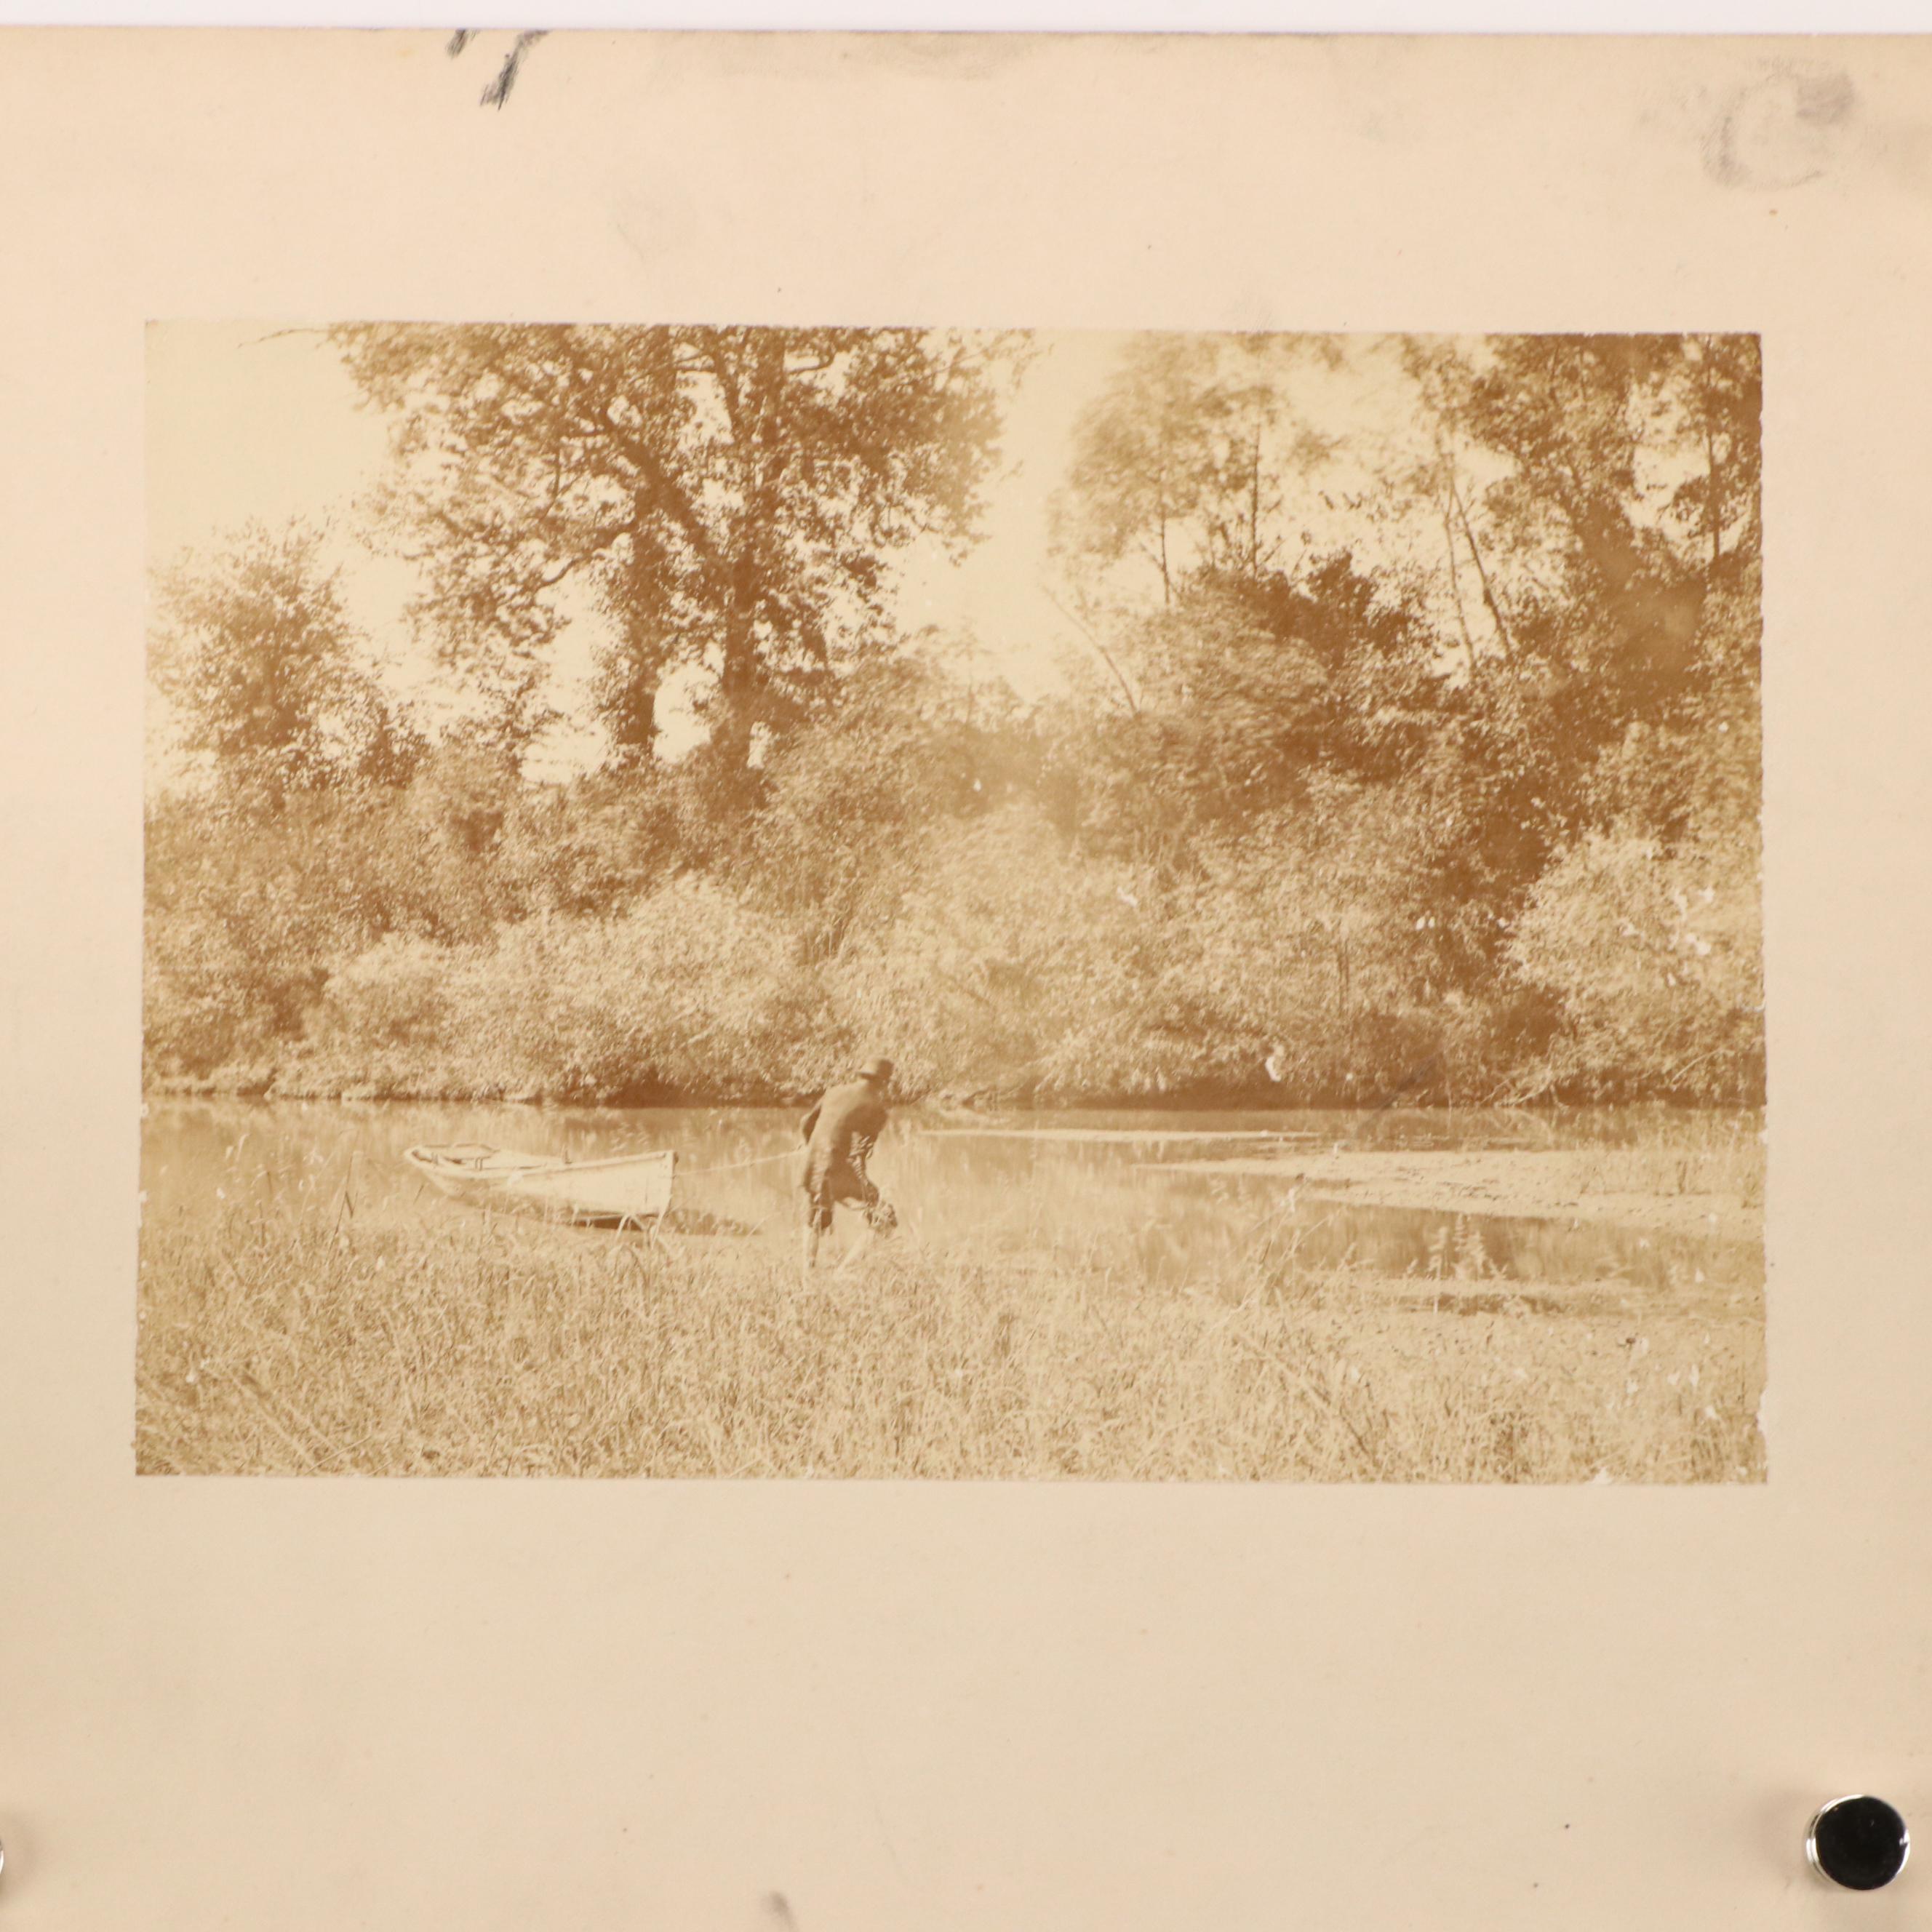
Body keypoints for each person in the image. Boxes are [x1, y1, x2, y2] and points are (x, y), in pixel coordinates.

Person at [799, 1056, 899, 1269]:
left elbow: (806, 1123)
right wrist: (863, 1184)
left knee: (816, 1215)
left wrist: (812, 1149)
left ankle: (808, 1272)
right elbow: (860, 1153)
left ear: (862, 1076)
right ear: (884, 1083)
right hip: (838, 1169)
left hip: (813, 1165)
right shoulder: (877, 1109)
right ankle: (845, 1271)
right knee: (885, 1217)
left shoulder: (834, 1092)